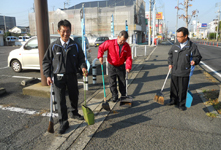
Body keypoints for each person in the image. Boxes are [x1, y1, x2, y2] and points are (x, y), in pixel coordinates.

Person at [42, 19, 88, 134]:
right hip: (58, 77)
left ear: (70, 31)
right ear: (58, 31)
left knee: (74, 95)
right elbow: (46, 61)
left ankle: (74, 112)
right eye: (63, 31)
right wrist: (47, 75)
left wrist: (83, 67)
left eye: (68, 31)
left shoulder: (75, 46)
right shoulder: (54, 46)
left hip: (72, 75)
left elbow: (81, 59)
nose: (65, 34)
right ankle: (63, 122)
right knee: (60, 100)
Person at [167, 27, 202, 111]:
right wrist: (170, 63)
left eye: (179, 36)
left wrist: (194, 61)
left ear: (185, 36)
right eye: (177, 36)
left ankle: (181, 104)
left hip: (185, 71)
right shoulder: (175, 45)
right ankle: (173, 100)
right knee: (174, 87)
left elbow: (198, 56)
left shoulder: (192, 46)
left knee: (183, 88)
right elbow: (170, 55)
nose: (178, 38)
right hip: (175, 70)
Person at [97, 31, 132, 102]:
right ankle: (114, 96)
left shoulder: (126, 46)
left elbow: (128, 57)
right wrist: (100, 56)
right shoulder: (110, 43)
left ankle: (123, 95)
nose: (122, 42)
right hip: (111, 66)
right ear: (118, 37)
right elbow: (101, 48)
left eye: (124, 41)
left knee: (122, 82)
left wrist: (128, 66)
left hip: (121, 66)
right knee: (112, 82)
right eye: (121, 40)